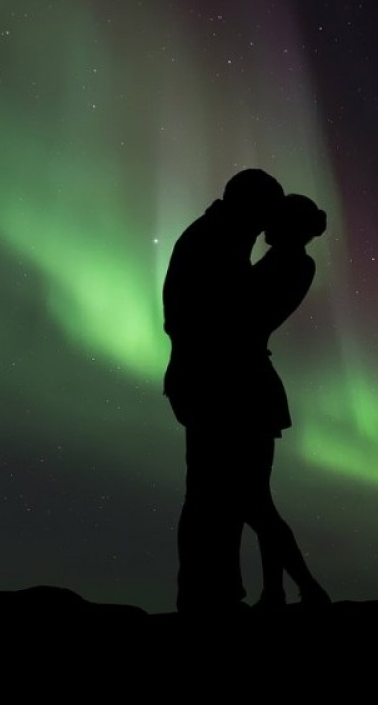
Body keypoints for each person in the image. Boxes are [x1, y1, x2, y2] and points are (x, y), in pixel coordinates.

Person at [162, 169, 284, 613]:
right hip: (212, 382)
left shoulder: (219, 237)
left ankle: (212, 592)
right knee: (214, 493)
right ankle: (207, 595)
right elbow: (213, 316)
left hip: (207, 380)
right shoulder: (216, 240)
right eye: (268, 209)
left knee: (217, 493)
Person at [243, 193, 331, 609]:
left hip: (249, 384)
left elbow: (245, 307)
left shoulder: (288, 263)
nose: (264, 227)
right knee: (258, 499)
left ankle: (306, 588)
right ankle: (278, 591)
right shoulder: (294, 262)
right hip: (255, 383)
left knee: (254, 501)